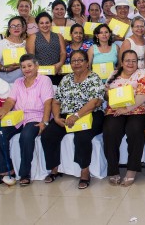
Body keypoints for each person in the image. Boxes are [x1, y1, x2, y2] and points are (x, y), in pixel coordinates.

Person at [41, 50, 104, 189]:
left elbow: (94, 102)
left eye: (80, 60)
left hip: (90, 114)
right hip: (66, 114)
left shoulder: (94, 78)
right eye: (73, 61)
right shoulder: (66, 79)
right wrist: (57, 117)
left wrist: (77, 116)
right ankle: (54, 168)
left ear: (87, 63)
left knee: (82, 137)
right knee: (48, 134)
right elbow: (56, 102)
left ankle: (85, 171)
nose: (77, 63)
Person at [0, 54, 53, 186]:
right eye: (23, 67)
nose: (27, 69)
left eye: (30, 66)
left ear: (36, 66)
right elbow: (10, 100)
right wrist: (3, 111)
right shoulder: (18, 82)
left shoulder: (44, 80)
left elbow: (48, 103)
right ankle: (7, 171)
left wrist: (45, 122)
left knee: (25, 136)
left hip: (36, 117)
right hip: (18, 117)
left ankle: (25, 174)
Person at [103, 50, 145, 186]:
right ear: (122, 62)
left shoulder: (142, 74)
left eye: (134, 61)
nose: (130, 63)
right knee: (110, 131)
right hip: (114, 110)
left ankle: (132, 170)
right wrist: (109, 95)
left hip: (137, 110)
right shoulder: (114, 74)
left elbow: (144, 94)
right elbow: (106, 92)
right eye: (127, 61)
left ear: (138, 63)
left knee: (135, 131)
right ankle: (113, 170)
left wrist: (126, 109)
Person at [26, 12, 66, 85]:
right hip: (40, 74)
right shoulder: (32, 37)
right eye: (41, 23)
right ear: (37, 25)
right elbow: (31, 57)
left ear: (51, 23)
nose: (45, 25)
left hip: (57, 71)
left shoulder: (59, 36)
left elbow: (63, 52)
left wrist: (60, 63)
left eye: (47, 22)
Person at [0, 16, 27, 83]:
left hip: (23, 80)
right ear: (9, 29)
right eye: (13, 26)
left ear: (23, 28)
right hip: (6, 81)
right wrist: (6, 69)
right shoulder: (3, 43)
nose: (16, 28)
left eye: (19, 25)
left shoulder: (25, 43)